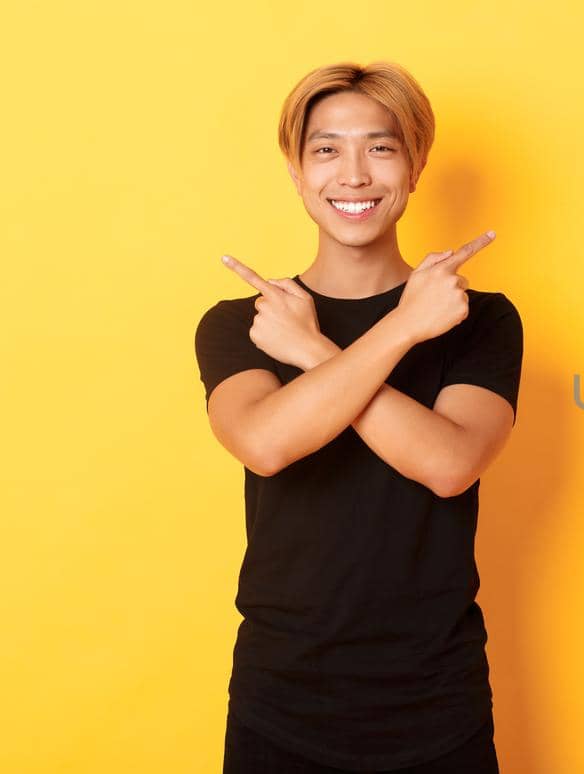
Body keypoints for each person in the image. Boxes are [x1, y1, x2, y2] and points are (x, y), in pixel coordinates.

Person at [193, 61, 520, 773]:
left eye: (380, 147)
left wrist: (317, 349)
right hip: (281, 699)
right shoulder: (238, 324)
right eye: (326, 149)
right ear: (296, 170)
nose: (354, 175)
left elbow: (448, 464)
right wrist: (398, 330)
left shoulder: (479, 321)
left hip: (437, 698)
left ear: (415, 164)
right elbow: (267, 443)